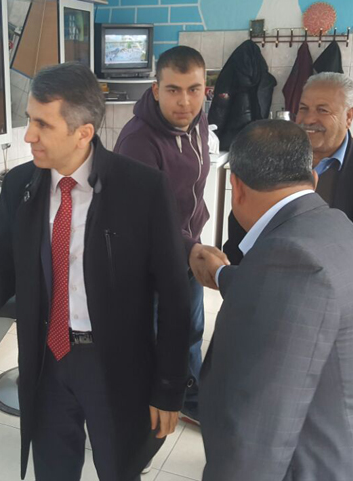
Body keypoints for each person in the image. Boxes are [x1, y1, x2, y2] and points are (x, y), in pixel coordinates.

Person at [0, 63, 191, 481]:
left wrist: (169, 388)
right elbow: (4, 269)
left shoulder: (142, 189)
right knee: (53, 471)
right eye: (30, 120)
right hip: (47, 360)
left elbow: (174, 296)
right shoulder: (20, 186)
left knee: (120, 468)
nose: (28, 136)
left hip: (114, 364)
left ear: (83, 132)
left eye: (42, 124)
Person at [197, 120, 353, 481]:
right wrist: (221, 274)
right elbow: (286, 301)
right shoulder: (333, 227)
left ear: (236, 186)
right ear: (312, 178)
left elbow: (254, 435)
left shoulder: (290, 259)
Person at [223, 72, 353, 323]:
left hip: (340, 317)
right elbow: (242, 228)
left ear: (349, 116)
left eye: (323, 110)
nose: (309, 119)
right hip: (270, 304)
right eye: (303, 108)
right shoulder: (273, 158)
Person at [115, 46, 222, 422]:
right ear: (156, 89)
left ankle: (188, 395)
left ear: (205, 89)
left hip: (186, 249)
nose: (185, 101)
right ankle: (146, 411)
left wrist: (193, 242)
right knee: (158, 336)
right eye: (174, 90)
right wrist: (189, 247)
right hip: (150, 259)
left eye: (194, 89)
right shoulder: (137, 142)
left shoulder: (197, 121)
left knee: (190, 328)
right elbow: (139, 218)